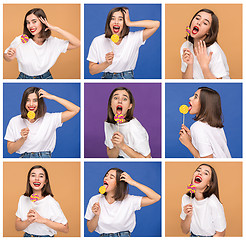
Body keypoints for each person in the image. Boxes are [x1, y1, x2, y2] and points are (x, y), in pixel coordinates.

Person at [4, 8, 80, 79]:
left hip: (46, 77)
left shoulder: (53, 42)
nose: (30, 26)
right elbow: (6, 56)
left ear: (43, 22)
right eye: (28, 23)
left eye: (34, 21)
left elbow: (77, 44)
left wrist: (56, 29)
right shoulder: (20, 40)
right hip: (24, 77)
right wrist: (9, 57)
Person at [5, 87, 80, 158]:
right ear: (24, 102)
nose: (31, 104)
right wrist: (22, 139)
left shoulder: (50, 118)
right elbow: (10, 150)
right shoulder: (14, 121)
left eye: (35, 100)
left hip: (44, 157)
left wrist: (53, 97)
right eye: (28, 100)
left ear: (39, 102)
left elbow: (75, 109)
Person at [85, 168, 161, 237]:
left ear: (118, 184)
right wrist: (96, 215)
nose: (106, 178)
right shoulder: (94, 199)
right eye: (106, 175)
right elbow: (90, 229)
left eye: (111, 177)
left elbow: (156, 197)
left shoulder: (129, 200)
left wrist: (133, 182)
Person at [87, 7, 160, 79]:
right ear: (109, 22)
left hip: (127, 78)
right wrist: (107, 63)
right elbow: (92, 71)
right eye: (113, 19)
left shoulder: (133, 38)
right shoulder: (98, 41)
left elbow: (156, 24)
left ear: (124, 22)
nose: (116, 22)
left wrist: (129, 23)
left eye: (120, 19)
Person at [16, 165, 69, 237]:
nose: (37, 178)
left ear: (45, 181)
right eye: (33, 175)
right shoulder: (23, 199)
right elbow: (17, 227)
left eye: (41, 176)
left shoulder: (51, 202)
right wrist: (28, 221)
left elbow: (65, 228)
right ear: (29, 180)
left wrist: (43, 220)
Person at [179, 87, 231, 158]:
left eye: (196, 97)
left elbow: (207, 161)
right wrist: (192, 138)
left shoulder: (197, 127)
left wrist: (188, 144)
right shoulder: (217, 125)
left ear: (205, 104)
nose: (190, 98)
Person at [181, 9, 230, 79]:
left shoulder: (213, 51)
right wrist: (190, 65)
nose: (198, 23)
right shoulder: (186, 47)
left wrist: (204, 66)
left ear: (209, 32)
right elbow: (185, 80)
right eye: (197, 18)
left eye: (205, 23)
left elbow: (218, 84)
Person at [180, 163, 226, 237]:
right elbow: (184, 231)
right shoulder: (186, 198)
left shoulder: (213, 202)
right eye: (198, 170)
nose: (200, 173)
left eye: (205, 173)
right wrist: (188, 216)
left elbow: (221, 233)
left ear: (209, 183)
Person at [104, 87, 151, 158]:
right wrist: (116, 147)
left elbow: (147, 159)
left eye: (124, 99)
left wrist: (123, 146)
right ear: (110, 104)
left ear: (130, 106)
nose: (120, 101)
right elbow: (111, 156)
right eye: (116, 98)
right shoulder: (108, 124)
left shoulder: (135, 128)